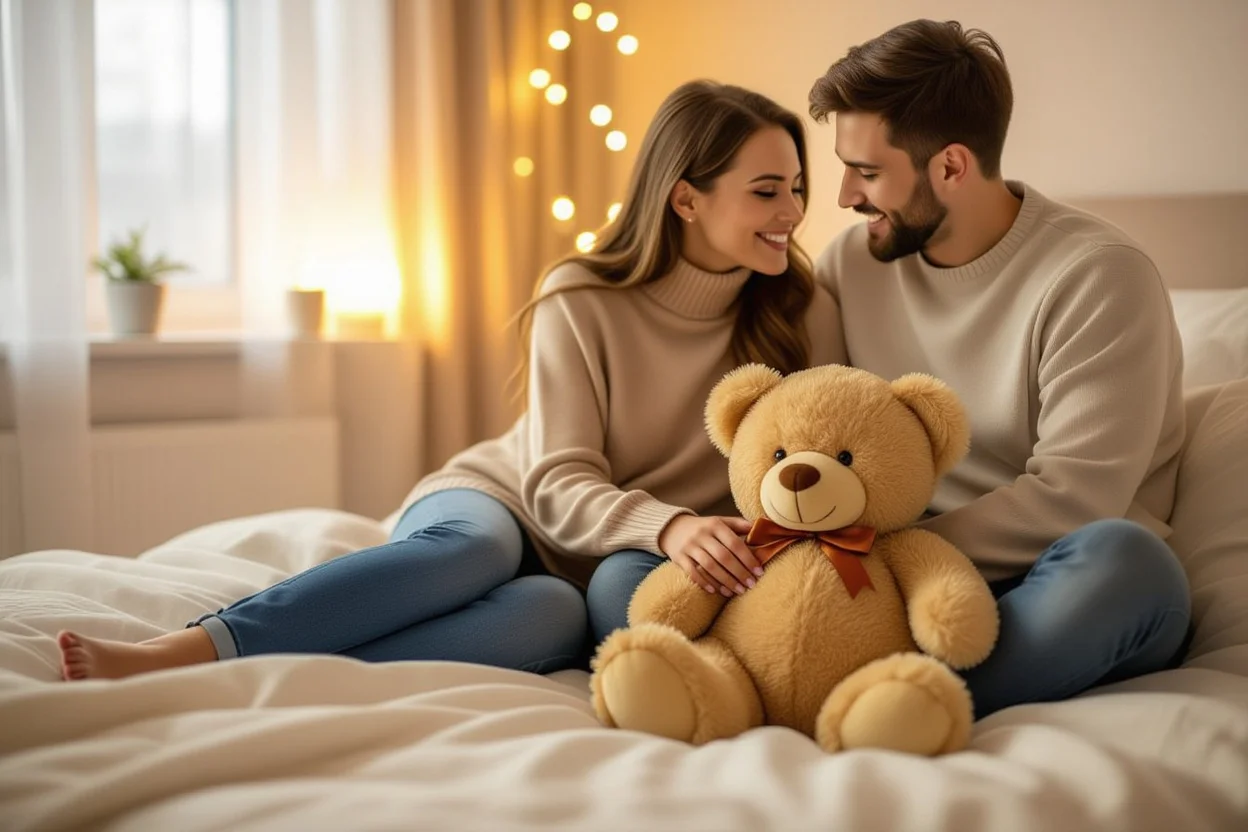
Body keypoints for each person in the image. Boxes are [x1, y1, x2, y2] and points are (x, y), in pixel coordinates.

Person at [56, 79, 845, 681]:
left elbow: (834, 451)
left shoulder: (799, 311)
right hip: (510, 498)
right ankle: (189, 650)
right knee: (473, 553)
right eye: (767, 191)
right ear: (686, 199)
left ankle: (290, 668)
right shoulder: (583, 297)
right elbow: (559, 477)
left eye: (797, 188)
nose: (793, 211)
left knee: (550, 622)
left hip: (603, 562)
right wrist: (670, 525)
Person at [806, 19, 1191, 717]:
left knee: (1131, 567)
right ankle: (871, 692)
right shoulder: (851, 264)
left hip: (1047, 582)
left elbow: (1074, 499)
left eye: (866, 172)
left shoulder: (1098, 276)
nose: (844, 196)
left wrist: (888, 556)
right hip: (896, 580)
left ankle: (870, 696)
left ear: (951, 167)